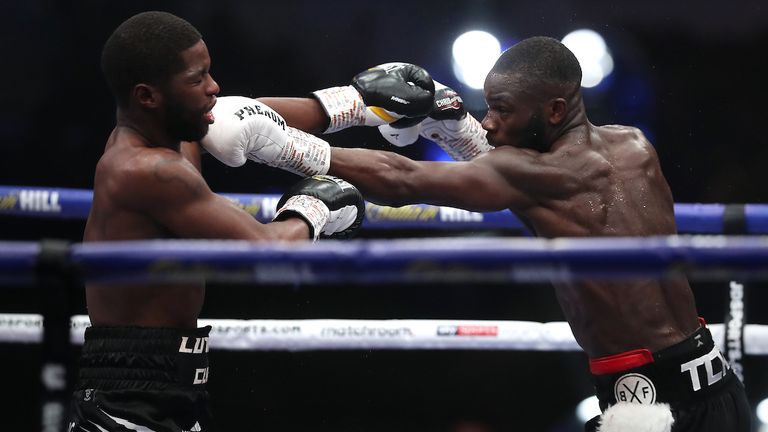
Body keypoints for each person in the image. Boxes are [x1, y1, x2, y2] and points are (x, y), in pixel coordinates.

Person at [203, 37, 751, 431]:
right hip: (714, 382)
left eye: (503, 111)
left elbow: (403, 179)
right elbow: (540, 184)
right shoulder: (634, 144)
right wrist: (458, 127)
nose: (489, 122)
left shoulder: (532, 175)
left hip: (649, 402)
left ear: (555, 109)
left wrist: (279, 143)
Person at [68, 10, 421, 431]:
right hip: (127, 399)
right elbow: (267, 251)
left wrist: (356, 104)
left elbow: (253, 116)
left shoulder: (164, 135)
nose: (214, 87)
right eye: (197, 79)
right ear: (148, 95)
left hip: (168, 387)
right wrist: (312, 206)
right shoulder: (147, 169)